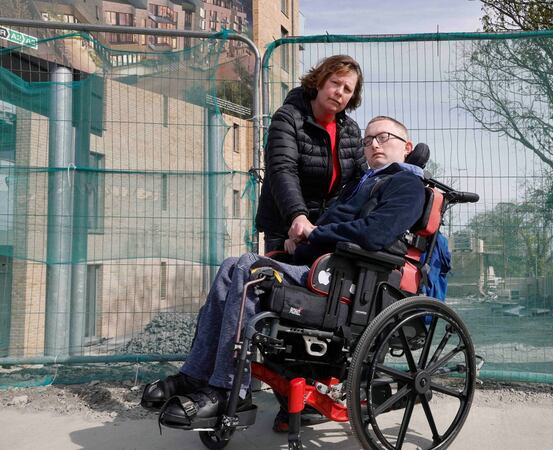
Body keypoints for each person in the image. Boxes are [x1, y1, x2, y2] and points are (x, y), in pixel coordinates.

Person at [141, 116, 425, 428]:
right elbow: (335, 229)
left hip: (346, 285)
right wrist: (298, 240)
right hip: (321, 271)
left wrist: (314, 234)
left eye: (383, 137)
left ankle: (227, 389)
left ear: (406, 147)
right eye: (368, 139)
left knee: (249, 268)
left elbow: (375, 234)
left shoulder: (407, 185)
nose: (372, 144)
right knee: (230, 266)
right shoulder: (362, 184)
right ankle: (194, 375)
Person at [256, 54, 367, 252]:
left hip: (327, 231)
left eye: (347, 89)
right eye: (335, 83)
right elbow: (282, 169)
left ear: (352, 97)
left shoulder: (351, 130)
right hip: (286, 228)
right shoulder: (288, 117)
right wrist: (297, 217)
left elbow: (360, 182)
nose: (339, 92)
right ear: (319, 82)